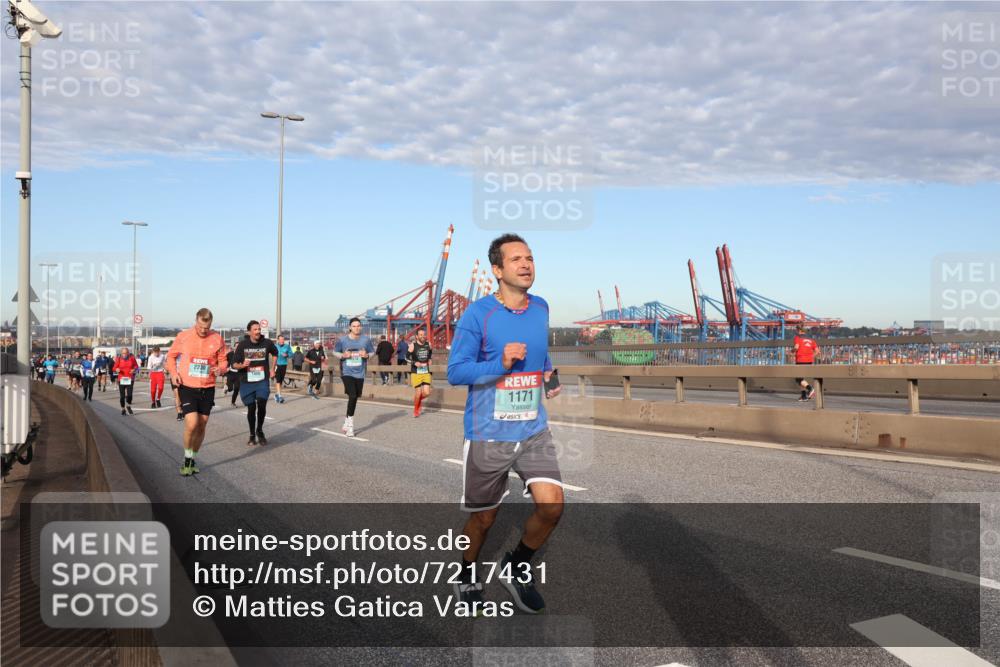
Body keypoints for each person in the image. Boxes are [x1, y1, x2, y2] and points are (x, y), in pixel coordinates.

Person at [446, 233, 563, 614]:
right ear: (497, 270)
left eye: (530, 257)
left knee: (553, 506)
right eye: (516, 260)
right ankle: (465, 572)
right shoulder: (478, 314)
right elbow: (456, 371)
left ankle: (515, 567)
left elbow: (540, 355)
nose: (526, 264)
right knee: (484, 519)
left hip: (532, 428)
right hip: (488, 432)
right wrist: (502, 364)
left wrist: (549, 375)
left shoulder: (541, 307)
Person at [166, 308, 228, 476]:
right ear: (196, 321)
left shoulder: (217, 338)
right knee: (192, 423)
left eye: (206, 328)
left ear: (211, 325)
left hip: (207, 387)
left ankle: (193, 459)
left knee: (202, 425)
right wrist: (173, 374)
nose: (203, 330)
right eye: (200, 326)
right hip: (188, 385)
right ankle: (186, 459)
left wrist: (220, 369)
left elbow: (223, 361)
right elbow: (170, 357)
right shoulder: (183, 336)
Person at [231, 321, 278, 446]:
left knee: (262, 404)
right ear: (249, 332)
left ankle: (260, 430)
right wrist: (242, 365)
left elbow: (275, 353)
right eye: (255, 329)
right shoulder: (242, 345)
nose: (258, 331)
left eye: (259, 329)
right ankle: (252, 434)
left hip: (262, 380)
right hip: (247, 381)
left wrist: (273, 368)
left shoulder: (267, 343)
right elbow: (234, 364)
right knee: (251, 409)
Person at [333, 318, 374, 438]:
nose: (357, 328)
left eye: (358, 326)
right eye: (354, 326)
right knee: (352, 395)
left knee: (355, 396)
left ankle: (346, 420)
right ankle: (350, 426)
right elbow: (335, 352)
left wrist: (366, 355)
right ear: (350, 327)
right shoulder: (343, 340)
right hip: (347, 372)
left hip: (360, 373)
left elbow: (372, 352)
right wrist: (343, 355)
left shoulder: (366, 340)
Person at [409, 328, 433, 417]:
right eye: (421, 335)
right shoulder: (413, 346)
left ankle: (418, 401)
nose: (423, 336)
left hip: (426, 371)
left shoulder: (428, 344)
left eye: (424, 334)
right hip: (416, 372)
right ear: (417, 336)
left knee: (427, 393)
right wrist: (414, 362)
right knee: (418, 393)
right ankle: (416, 409)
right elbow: (406, 358)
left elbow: (430, 352)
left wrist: (430, 358)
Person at [792, 325, 819, 401]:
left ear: (799, 330)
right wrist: (810, 356)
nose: (796, 331)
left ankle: (810, 389)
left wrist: (792, 351)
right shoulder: (811, 339)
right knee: (802, 378)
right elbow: (817, 351)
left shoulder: (797, 337)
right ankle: (803, 396)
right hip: (809, 361)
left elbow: (796, 347)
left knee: (798, 379)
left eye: (796, 330)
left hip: (800, 360)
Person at [113, 347, 140, 415]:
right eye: (123, 353)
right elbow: (114, 368)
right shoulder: (118, 359)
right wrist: (116, 369)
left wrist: (134, 370)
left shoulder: (132, 358)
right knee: (122, 396)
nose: (124, 354)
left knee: (130, 395)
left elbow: (136, 367)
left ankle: (128, 405)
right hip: (121, 379)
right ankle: (123, 409)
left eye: (125, 353)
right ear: (121, 353)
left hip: (130, 378)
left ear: (128, 353)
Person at [273, 334, 292, 403]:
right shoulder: (275, 346)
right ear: (278, 340)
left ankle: (276, 394)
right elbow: (271, 354)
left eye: (283, 339)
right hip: (277, 365)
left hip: (284, 365)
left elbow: (291, 354)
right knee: (278, 380)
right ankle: (280, 396)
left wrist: (287, 355)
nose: (282, 341)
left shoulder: (287, 346)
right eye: (280, 339)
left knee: (280, 381)